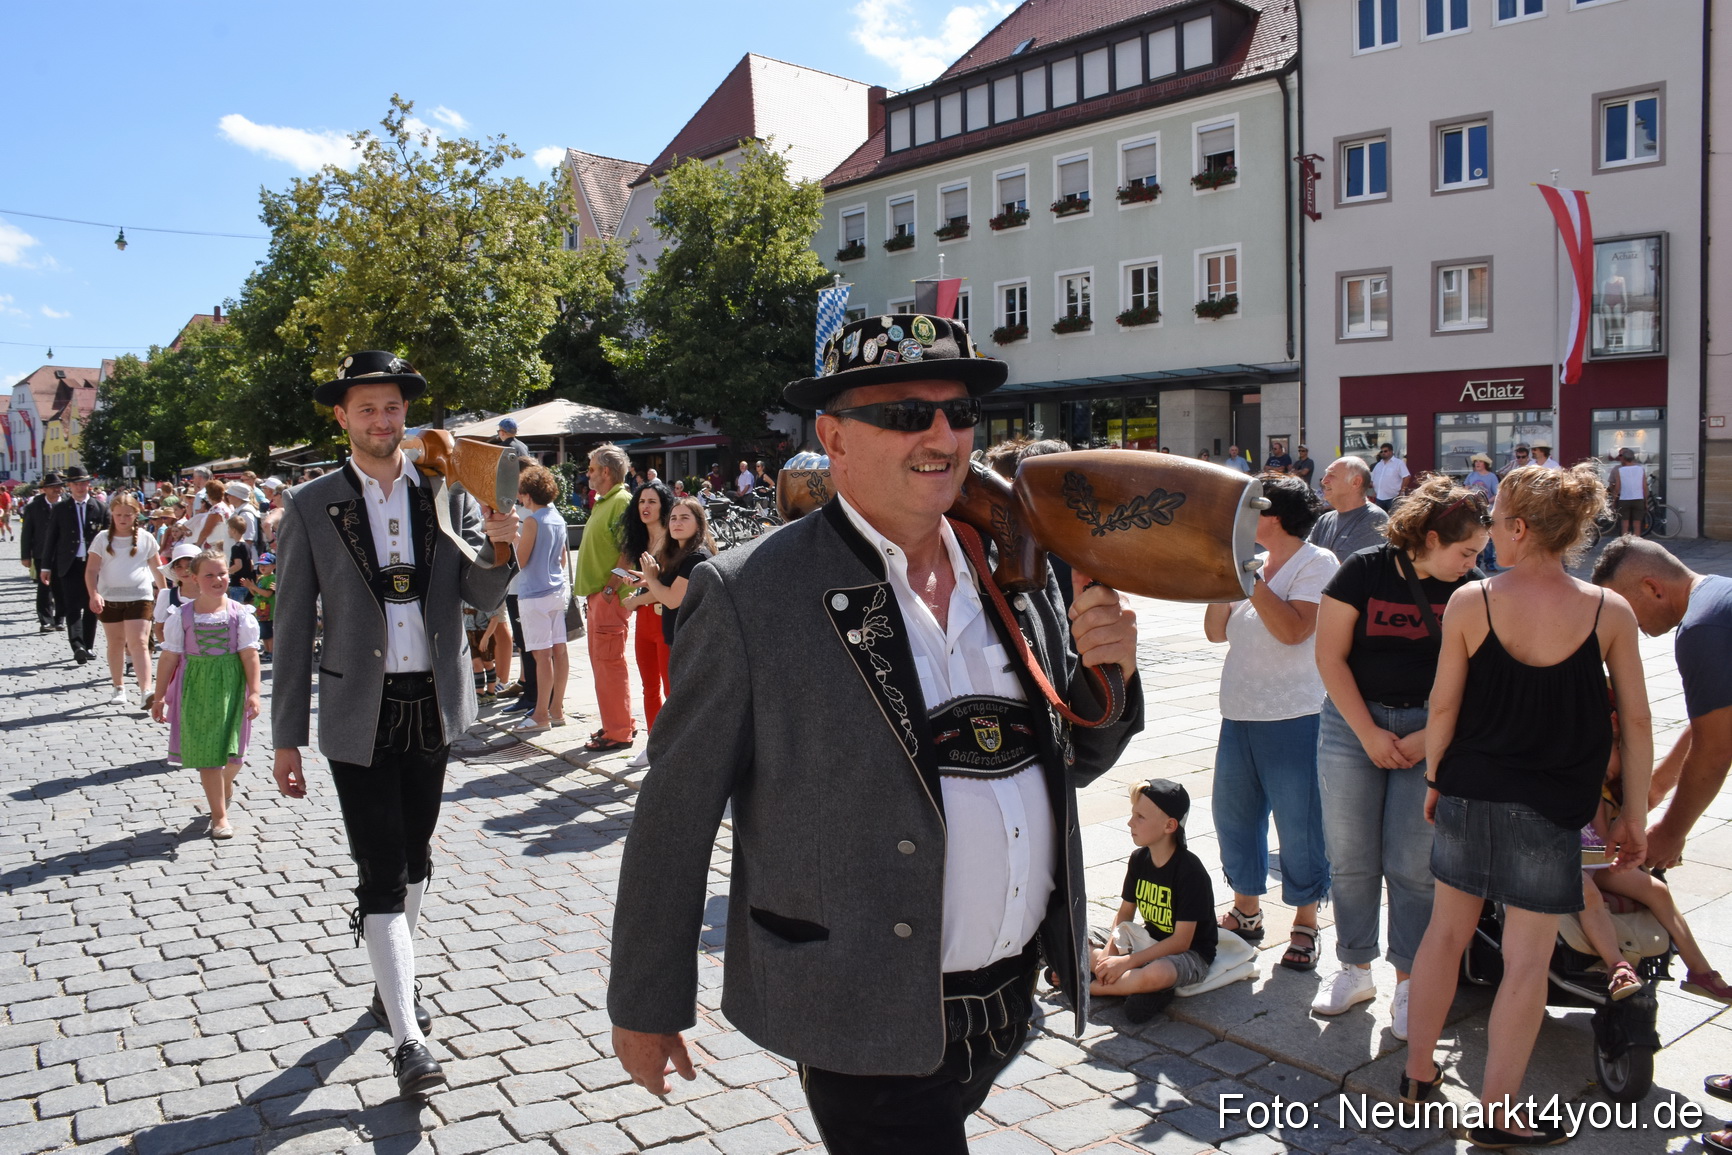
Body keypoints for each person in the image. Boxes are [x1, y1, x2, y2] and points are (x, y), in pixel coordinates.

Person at [607, 313, 1143, 1150]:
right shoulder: (751, 595)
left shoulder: (1012, 570)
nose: (941, 433)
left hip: (1009, 1000)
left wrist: (1110, 676)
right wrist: (646, 1001)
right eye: (904, 413)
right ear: (835, 437)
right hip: (861, 1008)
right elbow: (674, 810)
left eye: (959, 412)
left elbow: (1063, 766)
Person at [270, 351, 518, 1097]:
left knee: (415, 858)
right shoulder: (312, 505)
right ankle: (409, 1037)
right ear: (343, 416)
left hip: (433, 702)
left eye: (393, 407)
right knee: (379, 867)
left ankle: (389, 986)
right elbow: (289, 625)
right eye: (367, 408)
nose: (383, 420)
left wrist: (503, 540)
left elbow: (481, 590)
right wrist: (285, 734)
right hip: (358, 707)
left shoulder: (446, 493)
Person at [1401, 464, 1651, 1147]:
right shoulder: (1610, 610)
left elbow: (1443, 705)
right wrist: (1634, 812)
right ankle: (1497, 1113)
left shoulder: (1470, 602)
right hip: (1550, 807)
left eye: (1496, 523)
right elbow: (1636, 719)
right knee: (1525, 962)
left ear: (1518, 527)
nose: (1487, 541)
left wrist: (1432, 781)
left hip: (1469, 790)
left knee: (1444, 936)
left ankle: (1419, 1074)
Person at [1310, 477, 1487, 1033]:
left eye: (1478, 554)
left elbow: (1478, 681)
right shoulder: (1363, 569)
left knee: (1415, 864)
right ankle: (1353, 966)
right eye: (1465, 552)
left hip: (1429, 730)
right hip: (1351, 724)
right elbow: (1329, 656)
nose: (1472, 563)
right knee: (1351, 855)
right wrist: (1366, 733)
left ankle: (1411, 983)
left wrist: (1424, 740)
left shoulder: (1473, 590)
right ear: (1430, 538)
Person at [1204, 474, 1335, 972]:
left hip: (1295, 714)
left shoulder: (1317, 563)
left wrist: (1249, 579)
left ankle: (1304, 922)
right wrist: (1225, 577)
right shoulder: (1248, 562)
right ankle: (1247, 911)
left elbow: (1294, 630)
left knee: (1299, 824)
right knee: (1234, 816)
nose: (1240, 519)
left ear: (1272, 515)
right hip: (1239, 711)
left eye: (1248, 509)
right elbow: (1215, 632)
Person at [1590, 538, 1732, 870]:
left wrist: (1670, 833)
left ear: (1653, 588)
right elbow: (1718, 721)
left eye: (1626, 610)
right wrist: (1657, 784)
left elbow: (1716, 750)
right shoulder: (1718, 598)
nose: (1630, 626)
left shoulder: (1701, 629)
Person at [152, 550, 262, 840]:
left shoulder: (240, 614)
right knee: (208, 756)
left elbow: (250, 655)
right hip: (196, 687)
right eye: (209, 575)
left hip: (232, 686)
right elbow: (169, 657)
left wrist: (256, 693)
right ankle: (219, 816)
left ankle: (225, 786)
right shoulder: (183, 615)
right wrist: (159, 696)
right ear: (195, 578)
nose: (218, 579)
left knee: (234, 755)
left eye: (222, 573)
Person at [1089, 779, 1217, 1024]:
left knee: (1158, 972)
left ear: (1169, 825)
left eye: (1140, 817)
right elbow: (1125, 913)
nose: (1130, 823)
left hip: (1188, 953)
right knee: (1077, 938)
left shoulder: (1190, 872)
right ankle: (1128, 984)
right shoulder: (1139, 859)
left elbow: (1181, 941)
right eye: (1132, 814)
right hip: (1147, 944)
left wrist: (1123, 963)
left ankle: (1094, 987)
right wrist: (1109, 956)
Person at [573, 443, 637, 754]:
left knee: (608, 664)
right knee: (604, 665)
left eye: (592, 469)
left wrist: (611, 589)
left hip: (608, 597)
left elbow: (629, 551)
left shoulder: (621, 500)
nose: (588, 474)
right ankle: (617, 722)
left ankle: (619, 730)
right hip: (601, 596)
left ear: (606, 472)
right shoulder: (607, 501)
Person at [85, 494, 166, 710]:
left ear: (135, 515)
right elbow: (92, 569)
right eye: (118, 514)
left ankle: (146, 690)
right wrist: (94, 594)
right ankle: (118, 686)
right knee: (116, 643)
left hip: (139, 597)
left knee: (139, 642)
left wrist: (165, 593)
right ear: (112, 514)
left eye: (127, 515)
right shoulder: (103, 538)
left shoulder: (146, 538)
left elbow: (156, 568)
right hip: (110, 598)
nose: (122, 519)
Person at [510, 464, 570, 733]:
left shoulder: (532, 520)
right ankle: (557, 709)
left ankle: (541, 714)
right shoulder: (557, 518)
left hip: (534, 593)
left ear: (527, 494)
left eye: (521, 494)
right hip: (557, 590)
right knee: (560, 650)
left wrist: (513, 537)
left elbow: (520, 560)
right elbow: (562, 560)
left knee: (542, 657)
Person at [619, 481, 674, 740]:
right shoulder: (641, 540)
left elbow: (670, 588)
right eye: (641, 501)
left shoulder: (673, 538)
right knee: (649, 686)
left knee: (669, 687)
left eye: (652, 501)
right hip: (645, 621)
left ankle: (674, 746)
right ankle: (654, 743)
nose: (645, 506)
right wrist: (638, 586)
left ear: (663, 505)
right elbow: (652, 583)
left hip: (665, 620)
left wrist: (636, 601)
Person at [40, 466, 111, 665]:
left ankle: (88, 645)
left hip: (93, 565)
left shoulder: (100, 507)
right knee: (72, 606)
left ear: (89, 485)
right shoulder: (61, 509)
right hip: (69, 565)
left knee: (93, 606)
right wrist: (46, 567)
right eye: (76, 484)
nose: (80, 487)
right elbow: (51, 539)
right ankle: (77, 645)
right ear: (69, 486)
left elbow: (108, 539)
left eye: (84, 483)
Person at [1308, 457, 1389, 563]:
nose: (1324, 481)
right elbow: (1304, 558)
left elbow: (1341, 567)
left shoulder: (1375, 519)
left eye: (1332, 475)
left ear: (1356, 482)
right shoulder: (1324, 520)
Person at [20, 471, 65, 632]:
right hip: (42, 553)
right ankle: (45, 620)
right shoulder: (34, 507)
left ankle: (60, 619)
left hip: (63, 554)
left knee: (61, 588)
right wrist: (26, 555)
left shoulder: (68, 504)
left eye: (59, 486)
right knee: (44, 588)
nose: (56, 489)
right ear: (44, 489)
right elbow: (27, 532)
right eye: (52, 487)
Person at [153, 542, 203, 654]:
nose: (184, 571)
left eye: (189, 566)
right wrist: (170, 652)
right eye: (179, 566)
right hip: (179, 655)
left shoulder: (210, 595)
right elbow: (159, 628)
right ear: (174, 570)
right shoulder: (168, 596)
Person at [1464, 455, 1500, 570]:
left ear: (1486, 464)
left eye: (1480, 462)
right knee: (1476, 535)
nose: (1477, 464)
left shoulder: (1492, 477)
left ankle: (1489, 562)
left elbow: (1496, 493)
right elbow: (1465, 489)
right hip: (1473, 510)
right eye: (1476, 462)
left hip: (1487, 510)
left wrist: (1487, 502)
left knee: (1488, 536)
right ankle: (1476, 562)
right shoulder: (1471, 475)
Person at [244, 552, 276, 661]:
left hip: (269, 611)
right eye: (261, 565)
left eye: (266, 565)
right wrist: (250, 587)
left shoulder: (272, 578)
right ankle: (267, 650)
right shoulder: (261, 578)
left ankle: (271, 652)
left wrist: (254, 587)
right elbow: (257, 594)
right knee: (264, 633)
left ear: (274, 566)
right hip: (261, 611)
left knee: (269, 633)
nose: (262, 567)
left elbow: (267, 594)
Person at [1611, 448, 1648, 537]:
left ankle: (1624, 543)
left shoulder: (1620, 470)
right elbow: (1644, 487)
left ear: (1623, 458)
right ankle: (1637, 544)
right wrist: (1645, 501)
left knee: (1625, 524)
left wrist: (1614, 500)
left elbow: (1617, 487)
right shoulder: (1641, 469)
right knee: (1637, 524)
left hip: (1624, 498)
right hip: (1638, 498)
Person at [225, 515, 256, 603]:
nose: (228, 531)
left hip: (237, 584)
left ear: (233, 530)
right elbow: (251, 564)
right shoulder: (247, 545)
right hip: (246, 584)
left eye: (229, 528)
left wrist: (226, 572)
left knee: (236, 609)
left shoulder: (236, 547)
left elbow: (238, 565)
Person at [1370, 444, 1409, 511]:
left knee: (1394, 519)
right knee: (1381, 520)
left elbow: (1406, 477)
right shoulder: (1378, 465)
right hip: (1379, 498)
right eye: (1381, 452)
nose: (1383, 453)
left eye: (1385, 451)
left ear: (1391, 452)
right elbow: (1372, 480)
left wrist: (1402, 491)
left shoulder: (1398, 463)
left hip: (1393, 498)